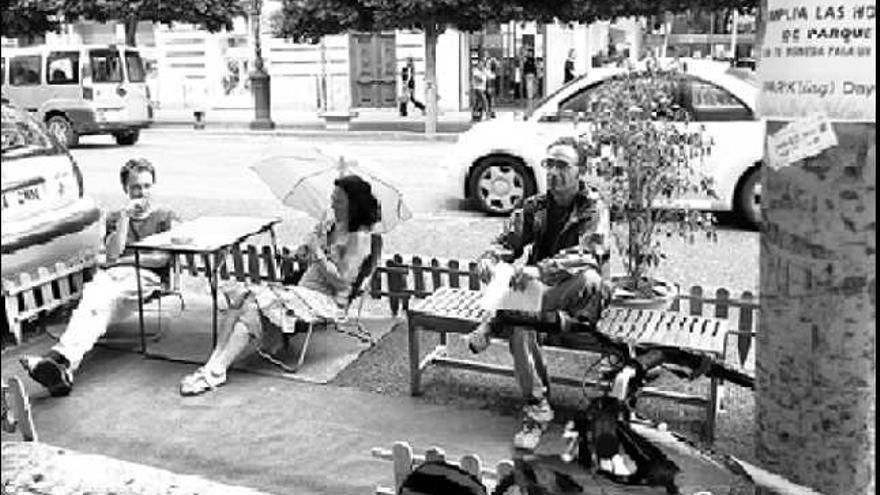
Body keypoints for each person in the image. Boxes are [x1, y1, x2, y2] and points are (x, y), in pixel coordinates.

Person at [465, 140, 612, 450]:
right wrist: (489, 258)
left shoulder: (592, 207)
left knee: (587, 276)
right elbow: (507, 241)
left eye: (563, 166)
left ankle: (493, 321)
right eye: (550, 165)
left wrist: (540, 271)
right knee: (522, 324)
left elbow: (590, 253)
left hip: (577, 300)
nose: (554, 173)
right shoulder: (536, 206)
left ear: (580, 172)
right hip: (537, 298)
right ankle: (537, 411)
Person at [178, 175, 381, 396]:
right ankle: (214, 365)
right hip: (303, 293)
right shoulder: (333, 226)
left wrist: (318, 251)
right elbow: (313, 263)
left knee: (252, 300)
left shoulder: (359, 238)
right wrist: (304, 253)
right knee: (244, 299)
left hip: (326, 301)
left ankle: (215, 371)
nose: (332, 204)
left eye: (339, 201)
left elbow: (341, 280)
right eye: (332, 199)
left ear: (354, 204)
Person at [20, 158, 179, 397]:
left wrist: (122, 261)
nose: (142, 193)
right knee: (93, 302)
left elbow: (160, 259)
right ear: (126, 189)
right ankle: (62, 367)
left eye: (147, 186)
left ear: (154, 185)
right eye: (136, 187)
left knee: (102, 299)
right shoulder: (117, 217)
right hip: (114, 274)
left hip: (144, 277)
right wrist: (125, 219)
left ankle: (56, 359)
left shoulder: (164, 217)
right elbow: (113, 252)